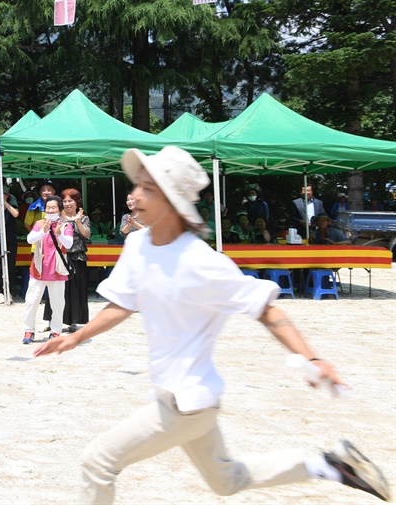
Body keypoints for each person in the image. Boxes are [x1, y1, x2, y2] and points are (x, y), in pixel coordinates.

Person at [34, 145, 392, 505]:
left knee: (98, 461)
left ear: (173, 201)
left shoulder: (201, 262)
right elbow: (122, 304)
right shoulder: (139, 243)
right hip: (188, 398)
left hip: (185, 403)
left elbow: (267, 310)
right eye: (136, 186)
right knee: (227, 479)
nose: (134, 195)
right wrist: (75, 337)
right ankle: (332, 466)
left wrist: (313, 360)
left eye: (148, 188)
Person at [21, 196, 73, 344]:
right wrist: (43, 231)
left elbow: (68, 244)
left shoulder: (65, 225)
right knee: (31, 301)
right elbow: (30, 239)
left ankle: (56, 331)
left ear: (60, 210)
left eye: (53, 207)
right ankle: (28, 330)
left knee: (58, 304)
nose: (50, 210)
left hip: (57, 270)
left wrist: (59, 234)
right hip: (38, 270)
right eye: (48, 207)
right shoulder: (39, 223)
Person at [60, 188, 91, 333]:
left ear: (76, 202)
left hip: (78, 257)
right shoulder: (59, 217)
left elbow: (86, 235)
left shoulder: (84, 218)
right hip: (61, 257)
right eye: (65, 201)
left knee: (77, 290)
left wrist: (77, 221)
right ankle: (53, 319)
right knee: (59, 290)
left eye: (70, 201)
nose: (67, 204)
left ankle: (74, 320)